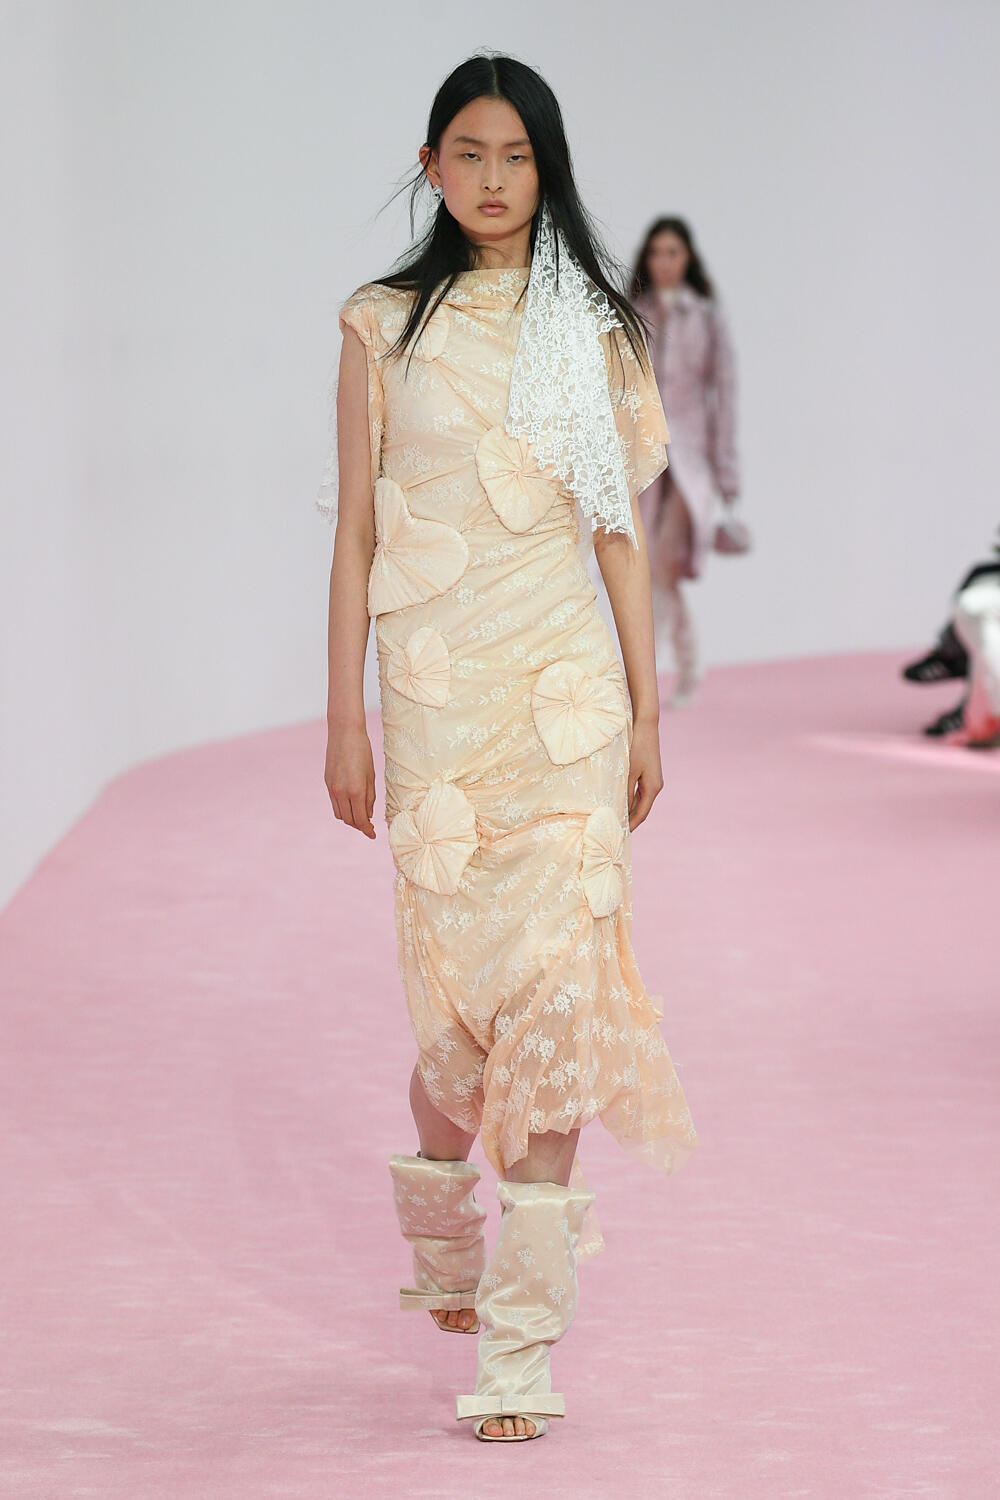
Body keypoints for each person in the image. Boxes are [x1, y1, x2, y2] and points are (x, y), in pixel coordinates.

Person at [318, 53, 697, 1444]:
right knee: (458, 1032)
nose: (492, 179)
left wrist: (645, 710)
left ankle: (522, 1352)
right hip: (435, 704)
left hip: (563, 703)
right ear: (431, 166)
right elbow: (358, 530)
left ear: (549, 168)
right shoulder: (381, 326)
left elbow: (618, 536)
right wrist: (345, 715)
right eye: (469, 154)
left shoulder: (592, 329)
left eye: (517, 156)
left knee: (557, 1001)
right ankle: (442, 1234)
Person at [630, 218, 741, 703]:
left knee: (660, 569)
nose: (664, 261)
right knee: (651, 569)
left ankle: (649, 681)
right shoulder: (636, 312)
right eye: (656, 252)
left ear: (688, 257)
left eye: (673, 252)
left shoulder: (706, 317)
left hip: (691, 461)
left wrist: (727, 474)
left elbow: (725, 395)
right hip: (645, 457)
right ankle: (686, 669)